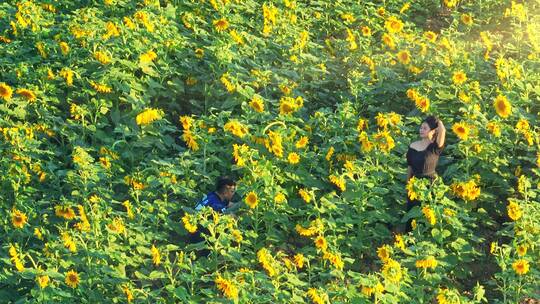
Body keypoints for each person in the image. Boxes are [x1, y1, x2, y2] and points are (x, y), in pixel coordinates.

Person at [404, 116, 446, 231]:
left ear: (432, 131)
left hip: (430, 186)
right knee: (412, 216)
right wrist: (407, 185)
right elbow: (410, 166)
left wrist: (437, 122)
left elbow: (443, 130)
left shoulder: (435, 147)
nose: (421, 130)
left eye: (425, 128)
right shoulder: (413, 146)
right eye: (421, 127)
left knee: (427, 216)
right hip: (415, 185)